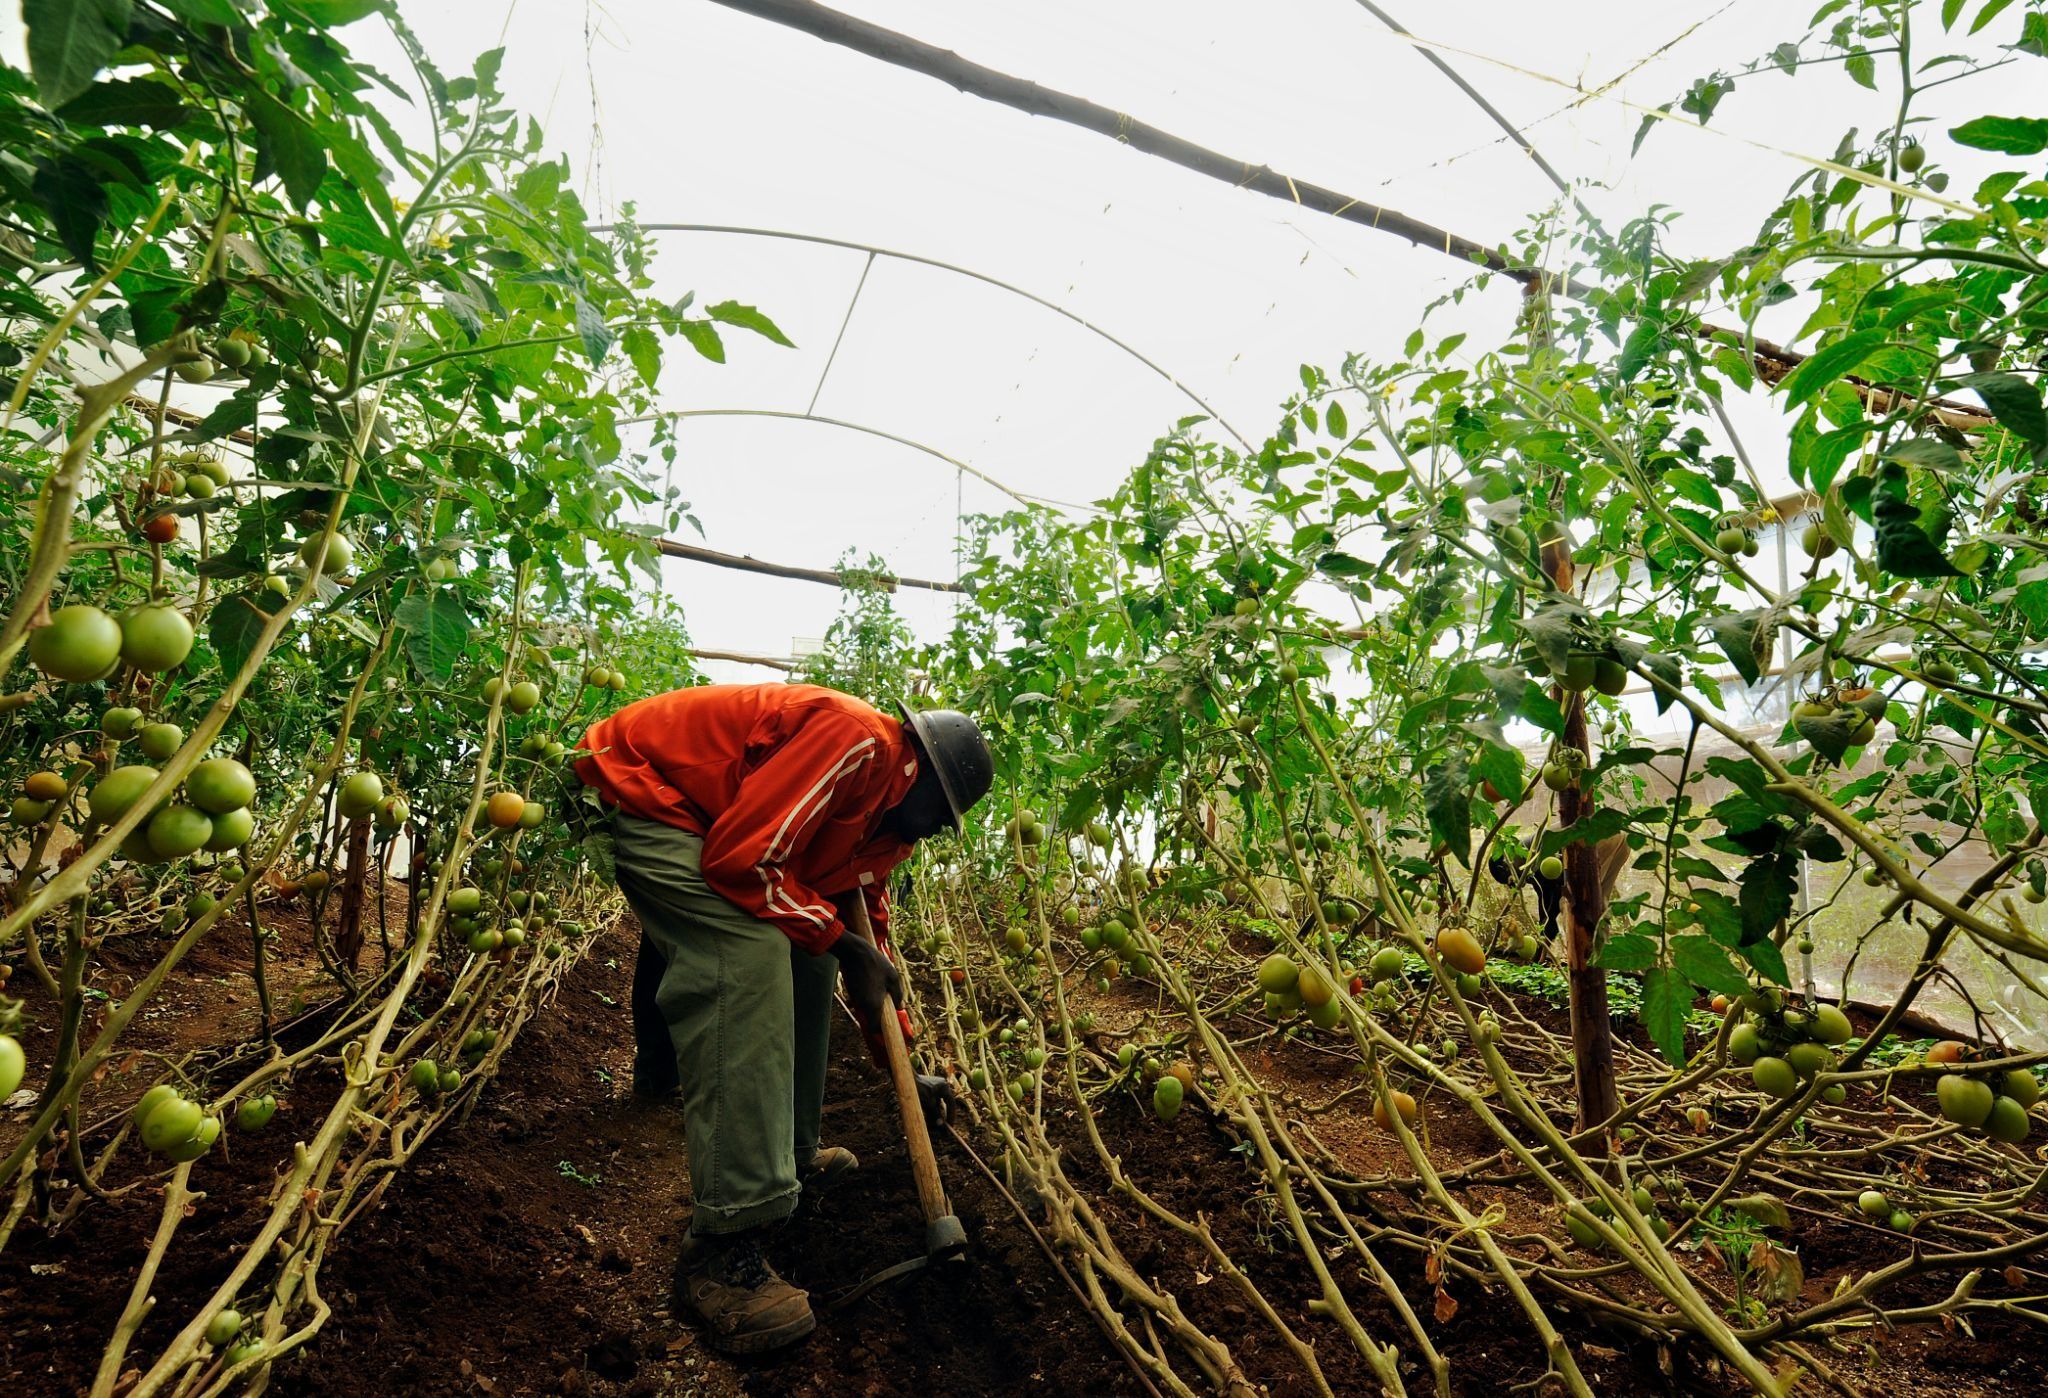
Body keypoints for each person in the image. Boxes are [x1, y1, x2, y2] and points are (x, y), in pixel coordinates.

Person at [574, 681, 993, 1353]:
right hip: (655, 795)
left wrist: (903, 1066)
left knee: (813, 953)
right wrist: (841, 941)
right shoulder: (858, 743)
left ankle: (788, 1160)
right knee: (747, 951)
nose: (941, 830)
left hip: (716, 820)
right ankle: (723, 1248)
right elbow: (740, 859)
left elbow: (868, 947)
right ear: (920, 775)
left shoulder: (887, 829)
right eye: (944, 815)